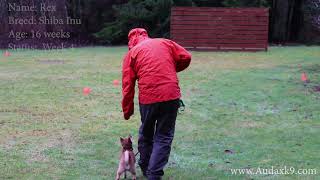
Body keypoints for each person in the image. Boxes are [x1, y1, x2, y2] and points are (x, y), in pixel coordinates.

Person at [121, 28, 191, 180]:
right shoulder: (165, 42)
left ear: (131, 41)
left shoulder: (132, 54)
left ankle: (148, 169)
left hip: (148, 99)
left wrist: (127, 111)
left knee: (146, 134)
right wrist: (171, 68)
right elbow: (186, 56)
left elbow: (128, 86)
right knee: (164, 136)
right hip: (171, 95)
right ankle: (154, 173)